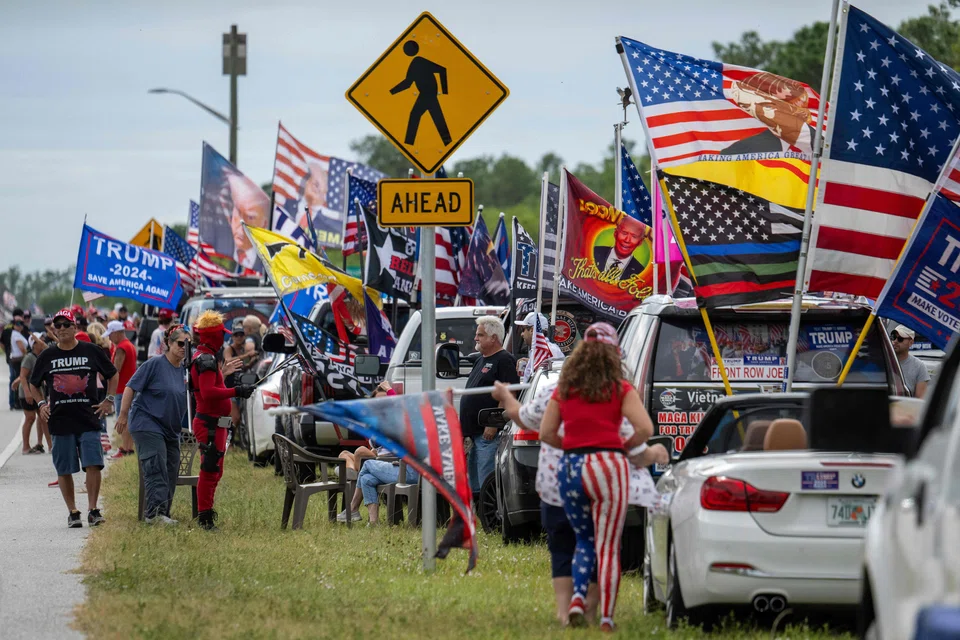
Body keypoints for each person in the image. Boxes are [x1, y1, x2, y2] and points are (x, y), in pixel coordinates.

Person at [493, 376, 667, 626]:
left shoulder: (557, 389)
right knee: (601, 544)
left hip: (558, 481)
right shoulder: (613, 391)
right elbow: (636, 442)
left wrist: (506, 396)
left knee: (563, 546)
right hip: (602, 478)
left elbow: (525, 418)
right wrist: (651, 453)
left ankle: (566, 611)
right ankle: (594, 612)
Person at [538, 322, 655, 631]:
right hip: (608, 465)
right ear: (615, 353)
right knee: (608, 544)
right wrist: (621, 446)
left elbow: (546, 432)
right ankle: (605, 618)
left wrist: (575, 445)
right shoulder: (620, 388)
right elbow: (645, 429)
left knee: (584, 539)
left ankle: (577, 597)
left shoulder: (564, 388)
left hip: (572, 467)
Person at [28, 308, 118, 528]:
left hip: (88, 417)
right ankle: (73, 512)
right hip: (60, 420)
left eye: (65, 325)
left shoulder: (91, 350)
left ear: (75, 327)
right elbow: (33, 383)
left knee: (93, 464)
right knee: (64, 468)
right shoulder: (48, 355)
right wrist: (40, 404)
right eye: (57, 326)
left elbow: (112, 374)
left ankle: (93, 509)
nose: (61, 329)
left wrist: (109, 400)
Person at [116, 324, 189, 525]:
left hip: (170, 429)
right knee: (156, 465)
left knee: (171, 468)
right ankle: (154, 514)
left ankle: (163, 512)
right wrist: (123, 415)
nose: (184, 348)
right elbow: (130, 387)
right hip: (146, 423)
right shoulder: (155, 364)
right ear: (168, 343)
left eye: (188, 345)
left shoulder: (185, 370)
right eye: (180, 343)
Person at [190, 311, 253, 530]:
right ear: (211, 336)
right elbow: (208, 393)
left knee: (215, 470)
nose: (222, 339)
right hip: (209, 424)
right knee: (209, 471)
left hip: (215, 424)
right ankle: (205, 518)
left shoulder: (205, 357)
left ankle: (206, 511)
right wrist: (237, 390)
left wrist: (225, 379)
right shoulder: (205, 359)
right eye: (220, 335)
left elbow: (211, 388)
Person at [459, 316, 519, 501]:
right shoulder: (480, 360)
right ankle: (480, 516)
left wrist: (493, 424)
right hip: (473, 433)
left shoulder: (504, 360)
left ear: (494, 338)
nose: (476, 338)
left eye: (480, 335)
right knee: (474, 480)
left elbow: (509, 394)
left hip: (487, 433)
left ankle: (491, 517)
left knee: (487, 479)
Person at [337, 382, 396, 523]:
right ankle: (356, 475)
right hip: (376, 458)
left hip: (389, 461)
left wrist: (390, 390)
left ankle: (353, 476)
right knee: (344, 454)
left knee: (360, 451)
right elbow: (376, 448)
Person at [105, 320, 137, 458]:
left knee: (123, 419)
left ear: (117, 333)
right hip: (128, 387)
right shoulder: (129, 345)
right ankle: (128, 448)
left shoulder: (121, 348)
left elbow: (116, 369)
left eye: (110, 335)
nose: (109, 338)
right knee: (127, 419)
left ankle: (125, 448)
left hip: (122, 389)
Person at [226, 172, 270, 270]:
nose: (242, 222)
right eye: (238, 213)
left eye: (250, 217)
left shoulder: (267, 264)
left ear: (264, 224)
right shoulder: (222, 249)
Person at [15, 334, 51, 454]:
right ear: (34, 344)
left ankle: (50, 446)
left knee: (44, 418)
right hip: (27, 392)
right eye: (40, 340)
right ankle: (25, 447)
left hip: (39, 391)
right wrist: (27, 392)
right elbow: (23, 376)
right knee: (30, 418)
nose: (43, 342)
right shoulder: (29, 357)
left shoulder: (42, 356)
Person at [593, 215, 650, 282]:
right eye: (624, 233)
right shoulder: (594, 252)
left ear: (640, 242)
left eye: (634, 236)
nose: (627, 240)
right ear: (615, 233)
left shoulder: (641, 272)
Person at [516, 312, 565, 382]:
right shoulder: (547, 350)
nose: (522, 334)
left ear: (532, 330)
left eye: (523, 329)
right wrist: (530, 361)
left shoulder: (548, 351)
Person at [891, 325, 931, 398]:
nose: (895, 341)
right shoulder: (883, 361)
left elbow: (919, 400)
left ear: (911, 342)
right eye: (893, 337)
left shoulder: (919, 366)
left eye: (900, 339)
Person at [8, 316, 28, 411]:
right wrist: (27, 356)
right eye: (17, 323)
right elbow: (22, 348)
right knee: (18, 380)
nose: (19, 325)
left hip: (17, 359)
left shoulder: (17, 334)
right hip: (18, 360)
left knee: (18, 380)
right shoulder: (16, 334)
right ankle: (17, 402)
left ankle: (16, 402)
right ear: (14, 325)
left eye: (21, 323)